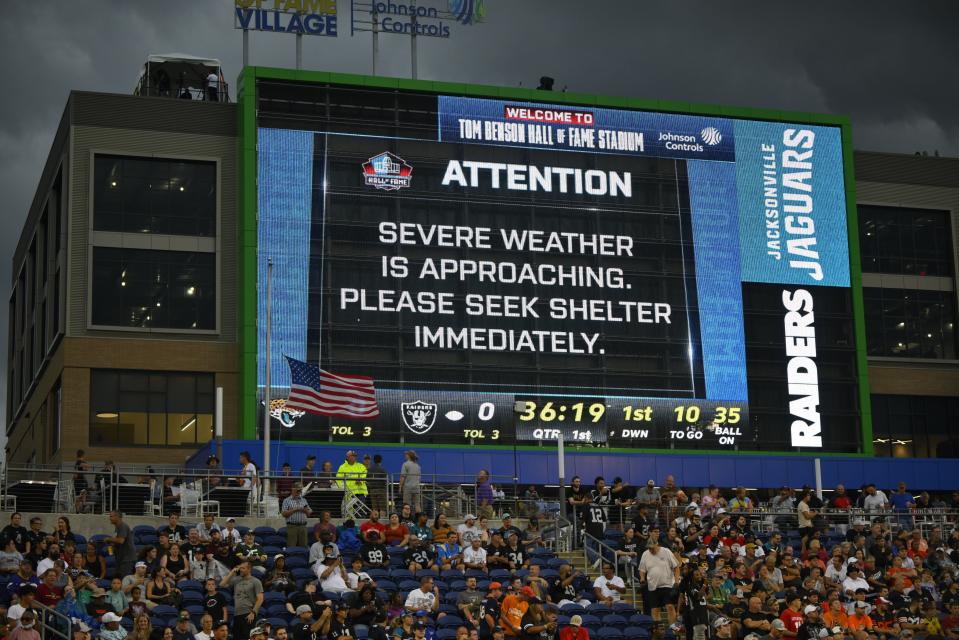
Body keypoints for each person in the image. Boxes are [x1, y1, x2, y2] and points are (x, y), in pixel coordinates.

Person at [638, 537, 680, 622]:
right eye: (649, 548)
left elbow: (676, 567)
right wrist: (642, 578)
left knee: (670, 607)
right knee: (654, 610)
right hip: (653, 586)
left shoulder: (666, 551)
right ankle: (658, 630)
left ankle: (673, 629)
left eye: (652, 548)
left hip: (667, 584)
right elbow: (642, 569)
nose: (650, 550)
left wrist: (676, 581)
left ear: (657, 544)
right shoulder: (645, 554)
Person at [220, 561, 264, 640]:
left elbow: (260, 598)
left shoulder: (256, 581)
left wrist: (253, 612)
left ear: (249, 569)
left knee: (247, 638)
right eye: (240, 568)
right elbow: (222, 584)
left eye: (243, 568)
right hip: (237, 614)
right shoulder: (236, 580)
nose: (240, 570)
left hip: (248, 614)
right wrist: (232, 572)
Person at [105, 511, 137, 579]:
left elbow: (121, 540)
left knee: (125, 579)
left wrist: (109, 539)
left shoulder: (122, 526)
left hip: (127, 559)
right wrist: (111, 544)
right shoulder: (117, 527)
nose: (110, 518)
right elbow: (117, 542)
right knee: (119, 578)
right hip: (121, 558)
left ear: (117, 517)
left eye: (111, 516)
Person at [282, 484, 313, 548]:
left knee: (304, 546)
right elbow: (284, 514)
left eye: (300, 490)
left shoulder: (304, 500)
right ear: (293, 490)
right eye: (297, 490)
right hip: (292, 526)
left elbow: (309, 513)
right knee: (291, 546)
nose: (299, 492)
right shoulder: (287, 501)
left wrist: (305, 510)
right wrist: (295, 510)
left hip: (303, 526)